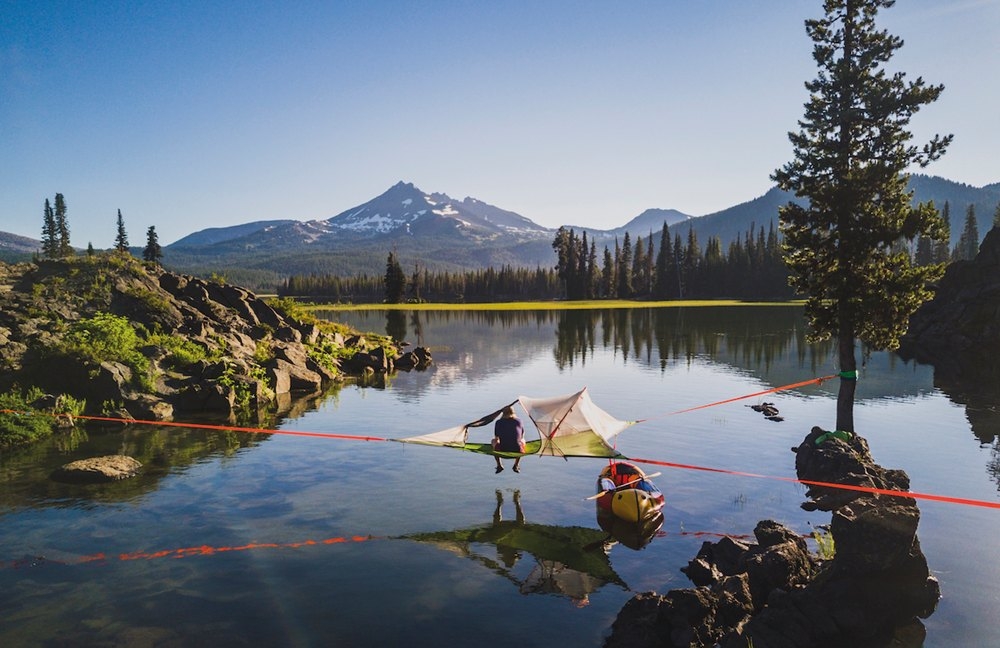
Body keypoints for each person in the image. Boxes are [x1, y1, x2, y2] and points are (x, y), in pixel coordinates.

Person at [492, 405, 525, 473]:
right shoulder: (519, 421)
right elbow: (521, 436)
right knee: (522, 440)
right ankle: (516, 465)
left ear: (503, 413)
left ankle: (499, 465)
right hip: (518, 450)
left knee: (493, 441)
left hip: (502, 449)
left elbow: (496, 437)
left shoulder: (499, 422)